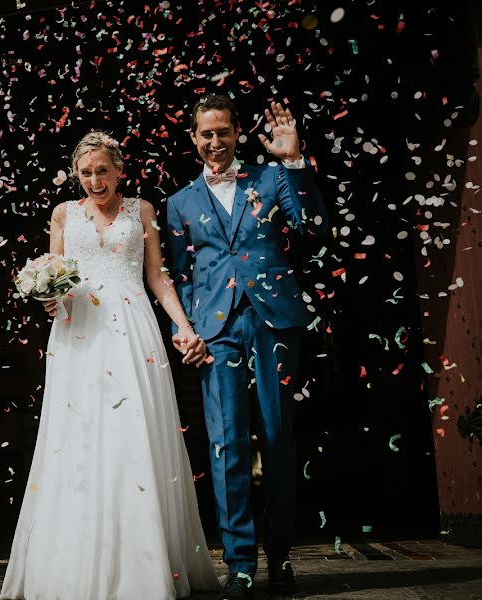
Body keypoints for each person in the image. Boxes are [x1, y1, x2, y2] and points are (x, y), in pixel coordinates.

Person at [1, 132, 219, 600]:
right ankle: (73, 562)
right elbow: (55, 274)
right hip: (78, 331)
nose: (95, 181)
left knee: (132, 433)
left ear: (119, 169)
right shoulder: (63, 214)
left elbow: (157, 277)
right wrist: (46, 298)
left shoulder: (141, 211)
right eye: (86, 173)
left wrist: (182, 326)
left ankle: (142, 565)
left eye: (102, 170)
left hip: (131, 327)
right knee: (76, 439)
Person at [167, 95, 328, 600]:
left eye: (223, 132)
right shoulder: (179, 202)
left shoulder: (272, 178)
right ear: (194, 139)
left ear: (238, 132)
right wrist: (189, 330)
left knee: (278, 438)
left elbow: (313, 228)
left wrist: (295, 163)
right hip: (216, 332)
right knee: (226, 445)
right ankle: (239, 565)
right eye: (205, 134)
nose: (215, 142)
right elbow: (183, 276)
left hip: (275, 323)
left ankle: (280, 560)